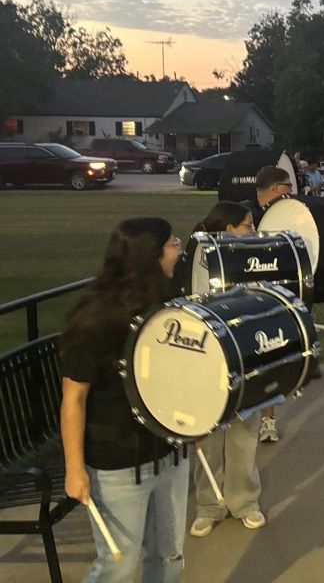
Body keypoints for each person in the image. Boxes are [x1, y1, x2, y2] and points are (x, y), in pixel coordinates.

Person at [60, 218, 189, 582]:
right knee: (118, 563)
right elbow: (74, 398)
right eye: (171, 243)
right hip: (117, 462)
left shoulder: (168, 304)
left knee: (169, 556)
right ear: (150, 255)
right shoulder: (93, 319)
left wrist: (190, 422)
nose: (178, 250)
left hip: (169, 451)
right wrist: (74, 469)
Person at [187, 203, 266, 538]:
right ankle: (209, 505)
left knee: (244, 431)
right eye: (248, 225)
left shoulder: (253, 255)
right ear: (230, 228)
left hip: (244, 352)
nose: (254, 230)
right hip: (208, 356)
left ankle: (244, 501)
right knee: (209, 433)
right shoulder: (200, 254)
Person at [239, 165, 294, 442]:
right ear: (275, 189)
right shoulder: (242, 213)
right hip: (245, 297)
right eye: (288, 186)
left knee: (269, 356)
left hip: (275, 294)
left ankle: (268, 421)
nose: (291, 192)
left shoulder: (288, 213)